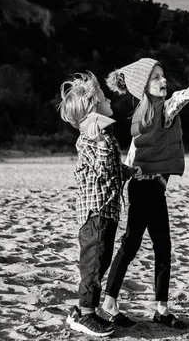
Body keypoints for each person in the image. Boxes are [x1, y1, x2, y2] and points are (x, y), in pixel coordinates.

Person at [100, 47, 189, 329]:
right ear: (144, 85)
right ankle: (110, 303)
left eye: (163, 76)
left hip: (149, 189)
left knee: (161, 247)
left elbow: (132, 156)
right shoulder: (165, 109)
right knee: (132, 246)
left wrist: (133, 175)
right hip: (146, 191)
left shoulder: (140, 114)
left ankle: (161, 309)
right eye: (156, 78)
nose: (163, 81)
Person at [57, 71, 140, 337]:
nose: (110, 103)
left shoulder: (106, 138)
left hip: (108, 211)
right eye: (104, 100)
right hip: (96, 214)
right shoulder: (90, 141)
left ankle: (83, 310)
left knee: (100, 262)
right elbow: (102, 169)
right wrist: (101, 142)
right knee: (92, 265)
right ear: (93, 110)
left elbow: (111, 170)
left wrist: (127, 171)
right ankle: (87, 313)